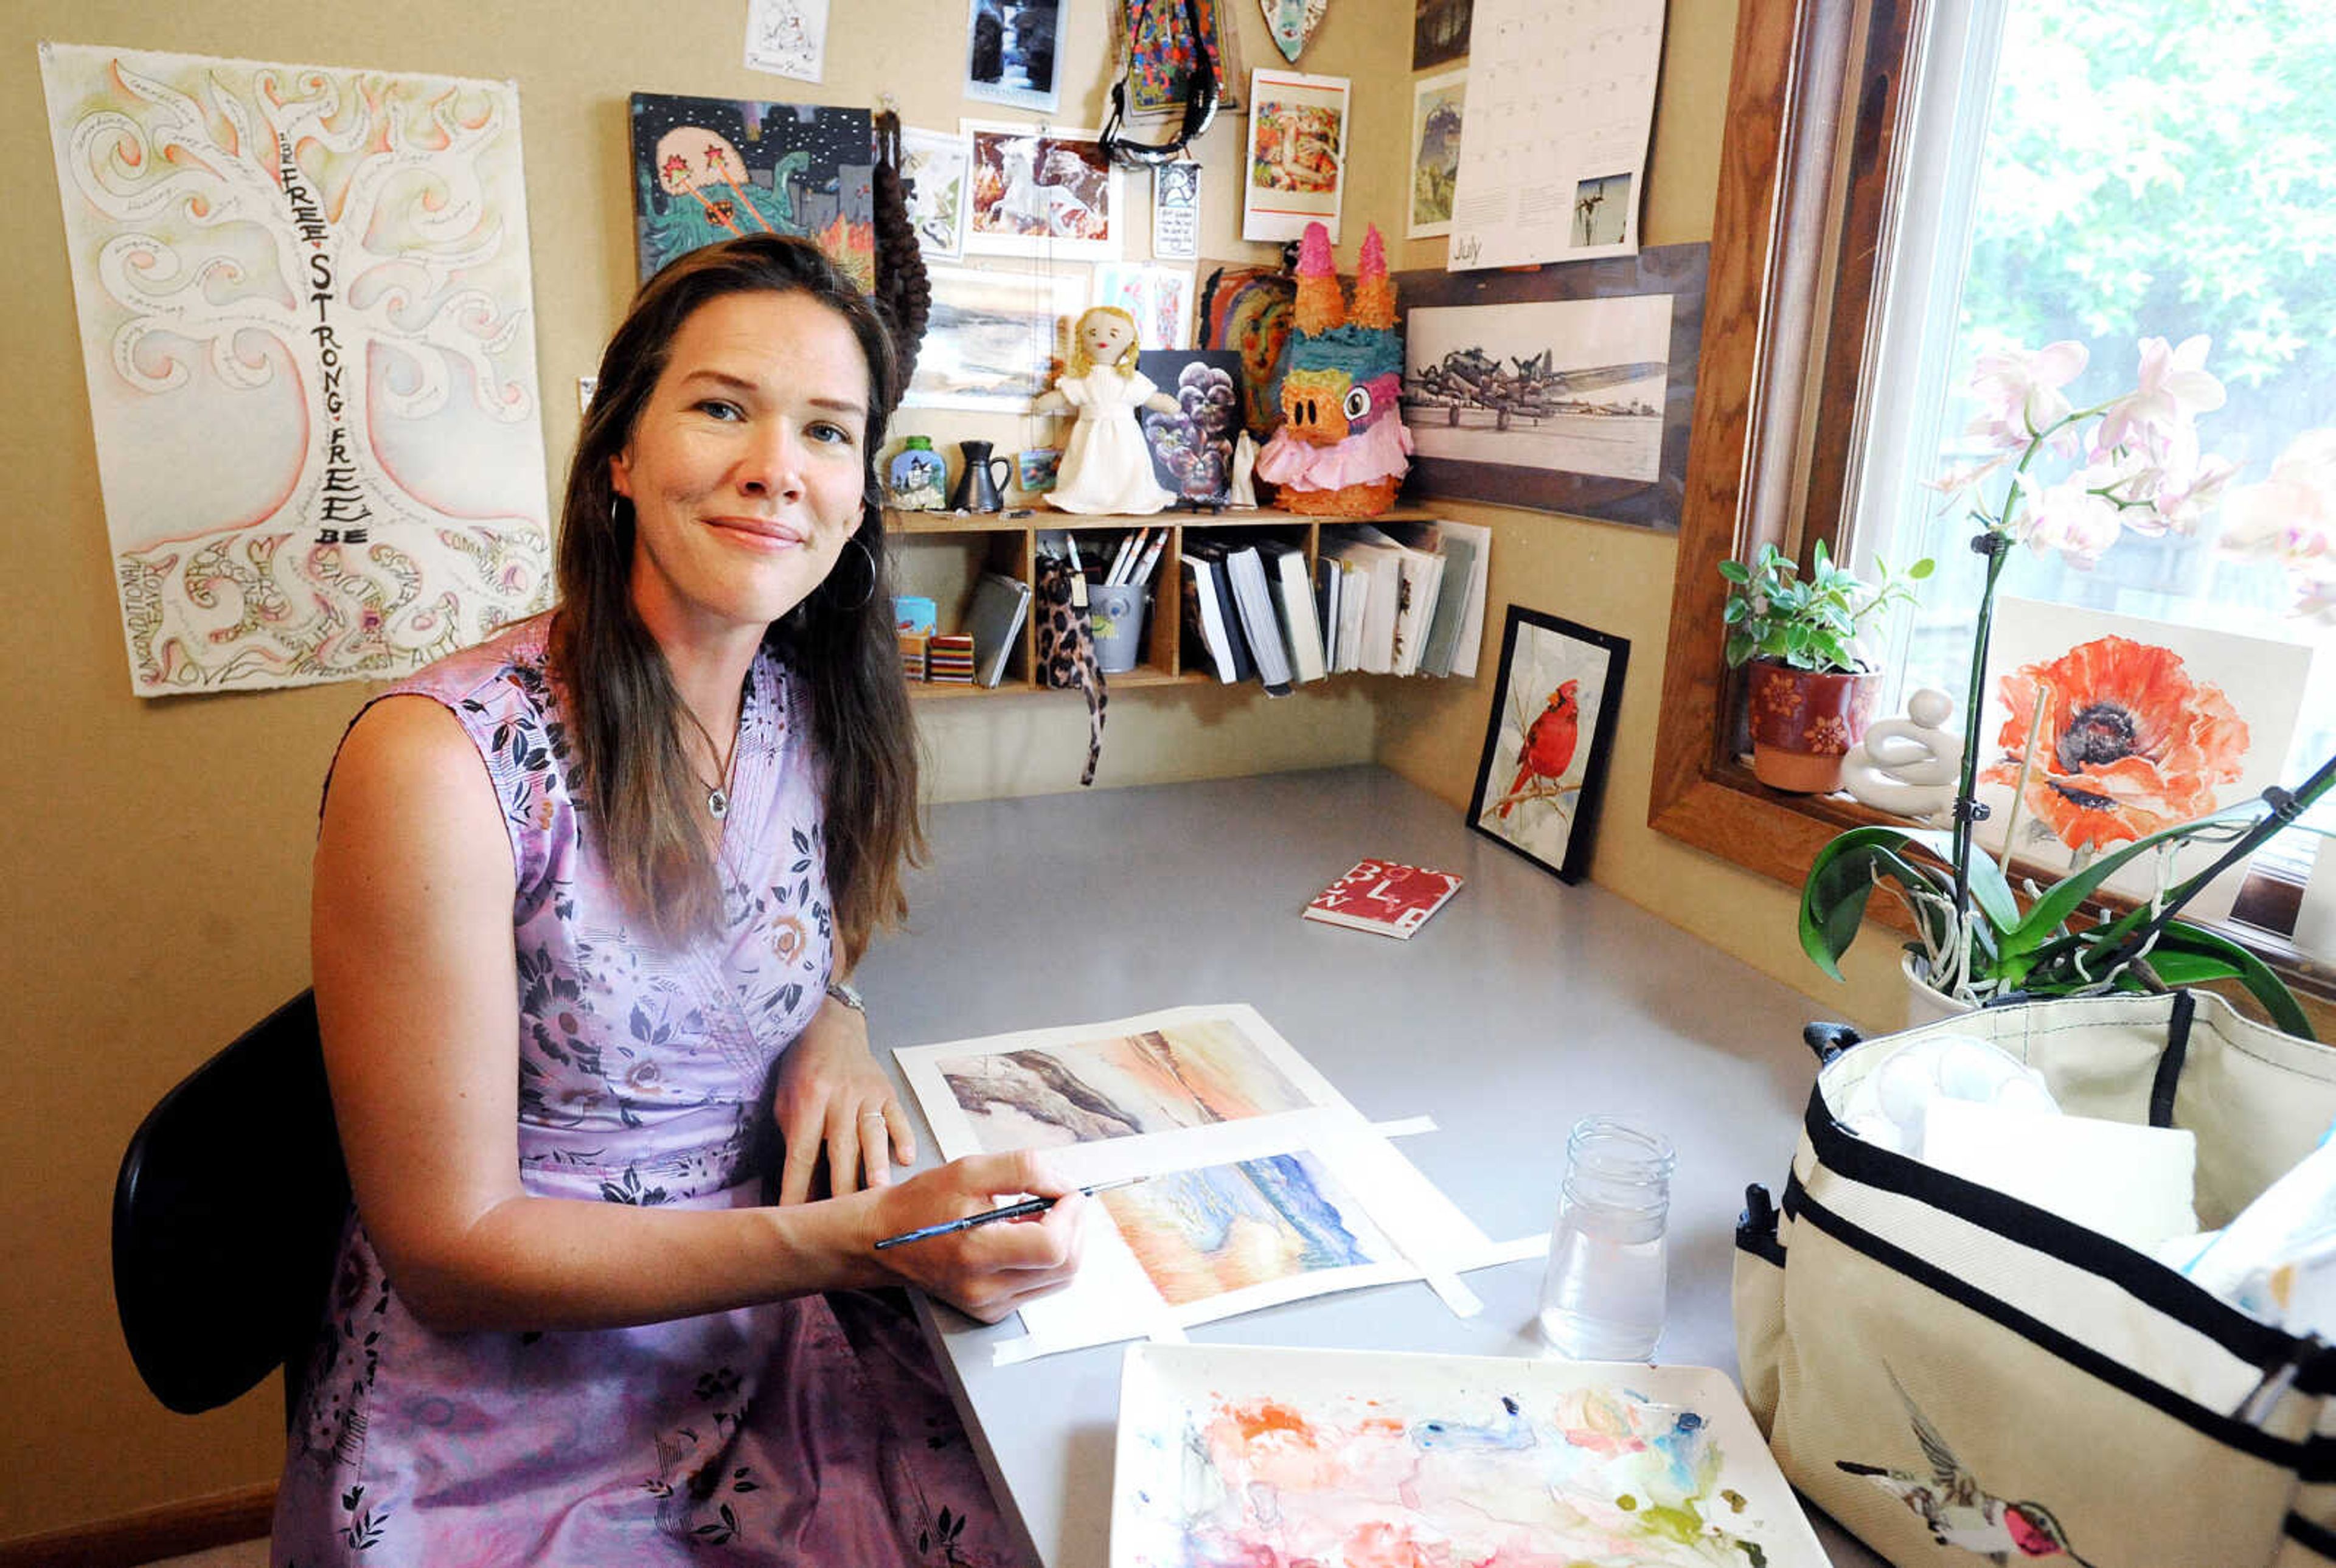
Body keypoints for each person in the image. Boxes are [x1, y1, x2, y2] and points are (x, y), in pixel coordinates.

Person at [273, 234, 1088, 1566]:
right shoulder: (438, 761)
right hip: (520, 1399)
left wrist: (834, 1018)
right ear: (621, 454)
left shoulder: (804, 701)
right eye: (722, 407)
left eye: (829, 430)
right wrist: (861, 1245)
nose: (779, 464)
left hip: (770, 1305)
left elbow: (797, 930)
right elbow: (450, 1249)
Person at [1035, 305, 1178, 515]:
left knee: (1126, 467)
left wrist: (1170, 405)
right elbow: (1061, 397)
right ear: (1083, 338)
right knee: (1087, 467)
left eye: (1114, 334)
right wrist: (1042, 405)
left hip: (1124, 435)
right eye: (1093, 333)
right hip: (1089, 432)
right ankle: (1084, 497)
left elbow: (1153, 399)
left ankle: (1129, 497)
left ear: (1129, 340)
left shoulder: (1130, 379)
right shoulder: (1083, 378)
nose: (1103, 339)